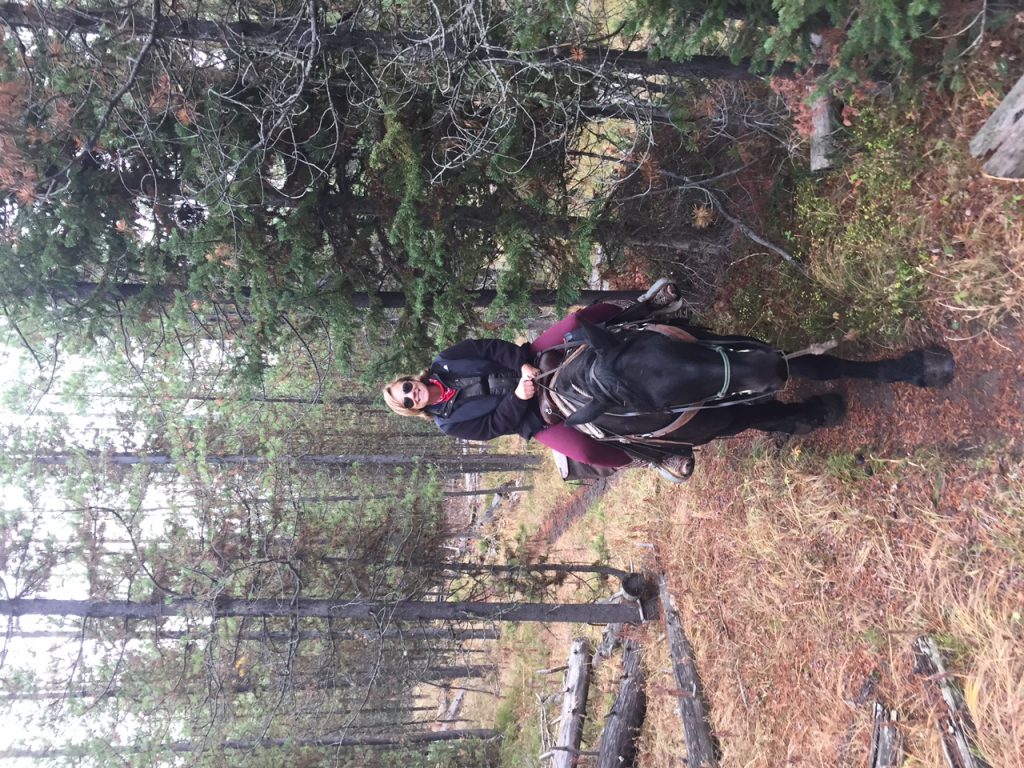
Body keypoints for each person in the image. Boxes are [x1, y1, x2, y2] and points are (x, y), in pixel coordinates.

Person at [382, 283, 695, 480]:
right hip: (532, 415)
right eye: (407, 401)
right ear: (412, 409)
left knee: (577, 321)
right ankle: (653, 456)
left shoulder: (445, 361)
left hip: (531, 359)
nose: (412, 394)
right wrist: (519, 397)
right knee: (586, 453)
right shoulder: (449, 424)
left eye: (406, 388)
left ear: (410, 380)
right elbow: (493, 427)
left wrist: (522, 364)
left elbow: (487, 347)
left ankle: (645, 308)